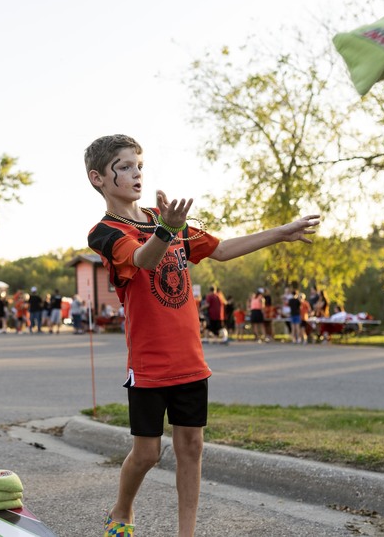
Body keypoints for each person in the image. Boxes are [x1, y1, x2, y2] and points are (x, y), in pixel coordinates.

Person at [84, 134, 319, 537]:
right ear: (98, 178)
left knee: (191, 448)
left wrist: (281, 232)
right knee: (147, 454)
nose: (136, 173)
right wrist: (165, 230)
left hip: (190, 359)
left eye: (138, 164)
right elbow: (142, 261)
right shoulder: (103, 232)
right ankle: (122, 511)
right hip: (149, 363)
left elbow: (222, 249)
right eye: (123, 166)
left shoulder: (163, 217)